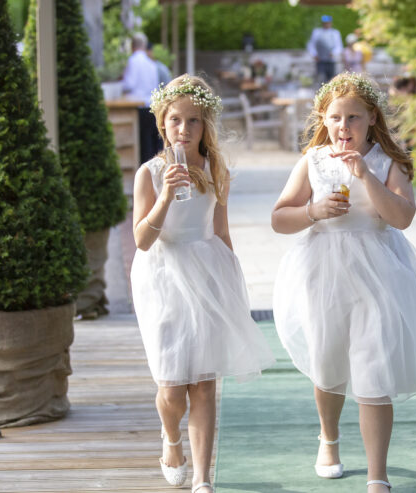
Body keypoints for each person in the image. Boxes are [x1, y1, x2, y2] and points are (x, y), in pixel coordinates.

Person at [271, 73, 416, 492]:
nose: (344, 127)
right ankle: (329, 438)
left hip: (378, 275)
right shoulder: (312, 161)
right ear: (323, 120)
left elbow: (402, 217)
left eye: (354, 118)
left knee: (373, 365)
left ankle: (376, 473)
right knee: (328, 363)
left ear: (371, 119)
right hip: (323, 272)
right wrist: (313, 210)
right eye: (336, 118)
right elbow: (279, 218)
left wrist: (365, 175)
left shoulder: (385, 162)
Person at [131, 74, 275, 491]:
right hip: (163, 276)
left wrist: (232, 277)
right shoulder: (149, 173)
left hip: (208, 270)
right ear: (162, 123)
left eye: (194, 121)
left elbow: (222, 229)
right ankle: (170, 436)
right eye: (176, 120)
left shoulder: (216, 169)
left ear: (205, 125)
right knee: (173, 387)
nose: (184, 129)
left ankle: (202, 478)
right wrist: (163, 196)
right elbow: (142, 240)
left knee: (205, 383)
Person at [122, 32, 162, 164]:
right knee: (152, 144)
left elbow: (129, 84)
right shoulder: (152, 64)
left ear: (132, 46)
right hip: (152, 105)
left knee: (142, 144)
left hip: (138, 107)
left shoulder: (133, 61)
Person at [307, 14, 342, 83]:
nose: (326, 24)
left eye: (328, 23)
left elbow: (339, 47)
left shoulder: (335, 33)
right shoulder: (317, 32)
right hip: (320, 61)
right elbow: (311, 45)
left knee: (331, 81)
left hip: (331, 61)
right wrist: (314, 54)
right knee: (321, 80)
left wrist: (333, 53)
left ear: (330, 23)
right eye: (325, 23)